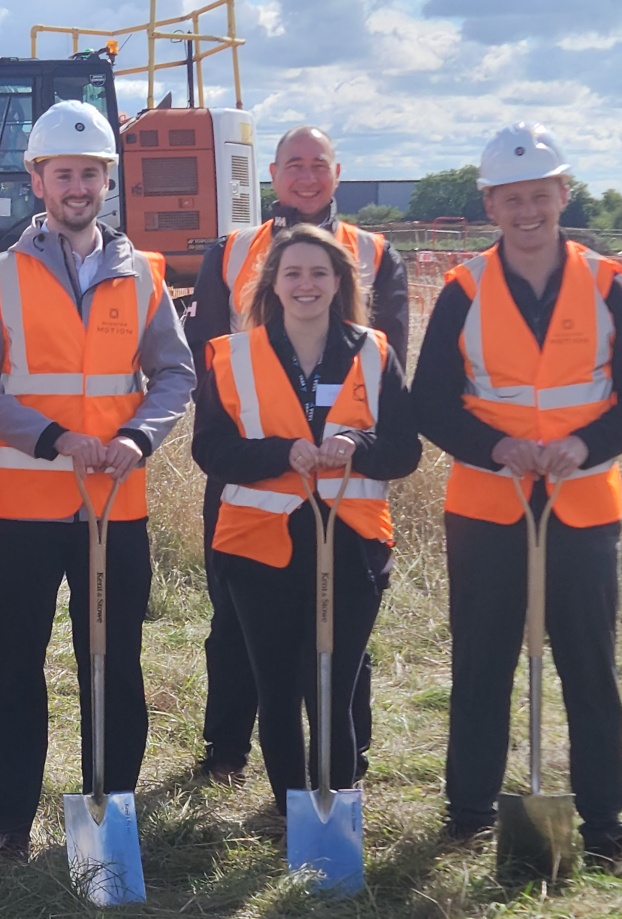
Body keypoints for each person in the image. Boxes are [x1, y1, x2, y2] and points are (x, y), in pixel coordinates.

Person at [412, 122, 622, 877]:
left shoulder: (605, 283)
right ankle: (467, 812)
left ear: (563, 194)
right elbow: (428, 402)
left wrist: (580, 446)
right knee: (481, 665)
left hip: (582, 507)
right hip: (487, 509)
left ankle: (605, 825)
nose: (527, 210)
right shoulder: (462, 290)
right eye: (510, 197)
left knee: (589, 667)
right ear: (489, 203)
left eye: (540, 194)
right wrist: (497, 447)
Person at [0, 100, 196, 860]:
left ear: (106, 181)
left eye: (90, 173)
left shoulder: (144, 277)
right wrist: (54, 439)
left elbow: (174, 374)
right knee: (16, 664)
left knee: (113, 662)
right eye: (64, 173)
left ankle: (108, 809)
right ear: (37, 180)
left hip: (115, 509)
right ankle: (13, 823)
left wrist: (134, 436)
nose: (78, 186)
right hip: (27, 511)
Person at [184, 125, 409, 786]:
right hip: (247, 475)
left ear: (335, 174)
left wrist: (348, 440)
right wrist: (269, 440)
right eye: (293, 165)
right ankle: (226, 750)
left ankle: (344, 763)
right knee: (235, 622)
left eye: (318, 165)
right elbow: (207, 359)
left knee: (343, 641)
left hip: (346, 492)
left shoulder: (373, 251)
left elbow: (387, 355)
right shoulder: (230, 250)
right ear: (272, 175)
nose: (305, 177)